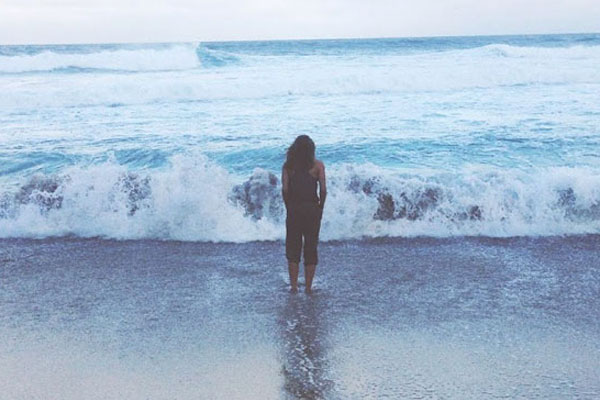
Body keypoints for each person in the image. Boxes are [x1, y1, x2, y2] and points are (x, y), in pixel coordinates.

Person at [282, 135, 326, 294]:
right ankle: (308, 287)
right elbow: (323, 190)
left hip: (294, 209)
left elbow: (285, 190)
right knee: (311, 247)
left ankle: (293, 286)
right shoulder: (318, 166)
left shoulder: (288, 167)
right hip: (312, 209)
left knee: (293, 247)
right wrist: (320, 207)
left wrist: (289, 206)